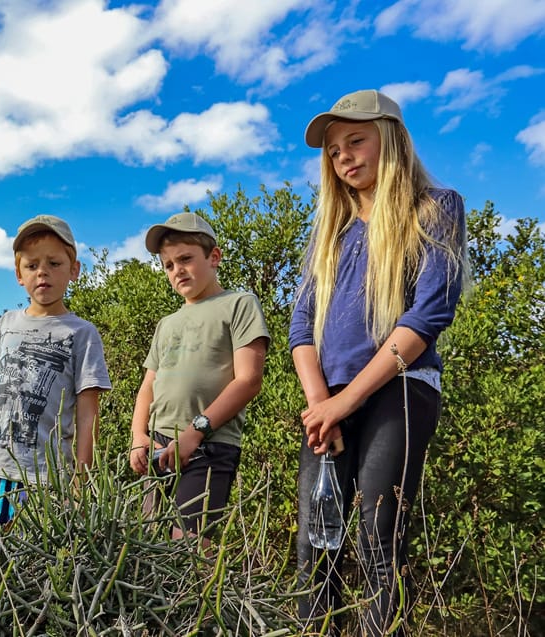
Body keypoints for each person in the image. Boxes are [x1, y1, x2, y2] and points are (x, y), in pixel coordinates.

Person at [291, 89, 467, 636]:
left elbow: (429, 313)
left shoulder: (436, 207)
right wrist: (324, 406)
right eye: (334, 151)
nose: (343, 157)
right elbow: (302, 327)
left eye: (355, 141)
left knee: (377, 531)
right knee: (314, 538)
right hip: (330, 405)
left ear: (390, 137)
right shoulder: (332, 236)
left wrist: (347, 399)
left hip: (401, 389)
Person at [0, 215, 111, 538]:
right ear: (18, 274)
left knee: (31, 569)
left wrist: (80, 483)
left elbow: (88, 415)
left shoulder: (82, 333)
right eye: (31, 265)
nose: (42, 272)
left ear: (74, 270)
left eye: (54, 263)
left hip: (40, 479)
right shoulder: (5, 323)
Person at [129, 212, 269, 541]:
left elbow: (248, 380)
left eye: (186, 259)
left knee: (189, 551)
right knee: (148, 549)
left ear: (214, 257)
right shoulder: (167, 323)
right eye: (168, 265)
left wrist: (195, 433)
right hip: (158, 445)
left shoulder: (239, 304)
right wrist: (138, 436)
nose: (177, 270)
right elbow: (147, 386)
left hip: (207, 445)